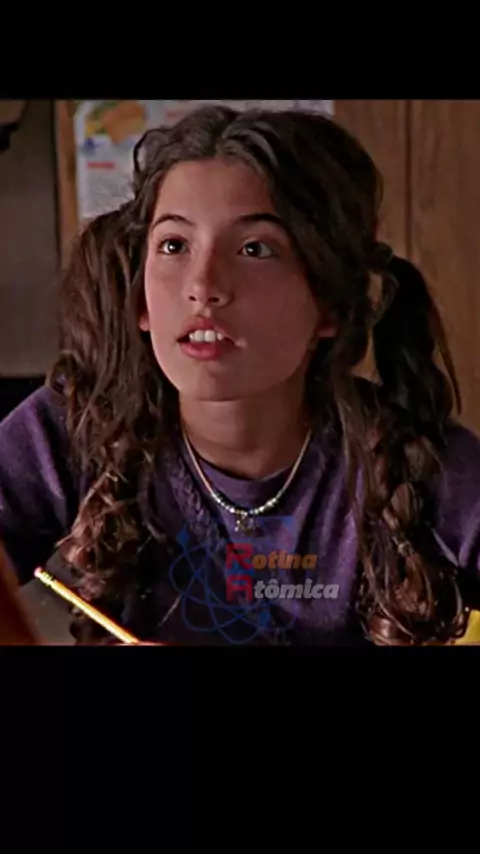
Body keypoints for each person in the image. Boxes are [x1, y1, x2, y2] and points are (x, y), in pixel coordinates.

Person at [1, 104, 480, 646]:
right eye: (174, 246)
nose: (203, 287)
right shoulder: (78, 424)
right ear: (140, 299)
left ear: (329, 305)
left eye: (255, 249)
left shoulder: (416, 463)